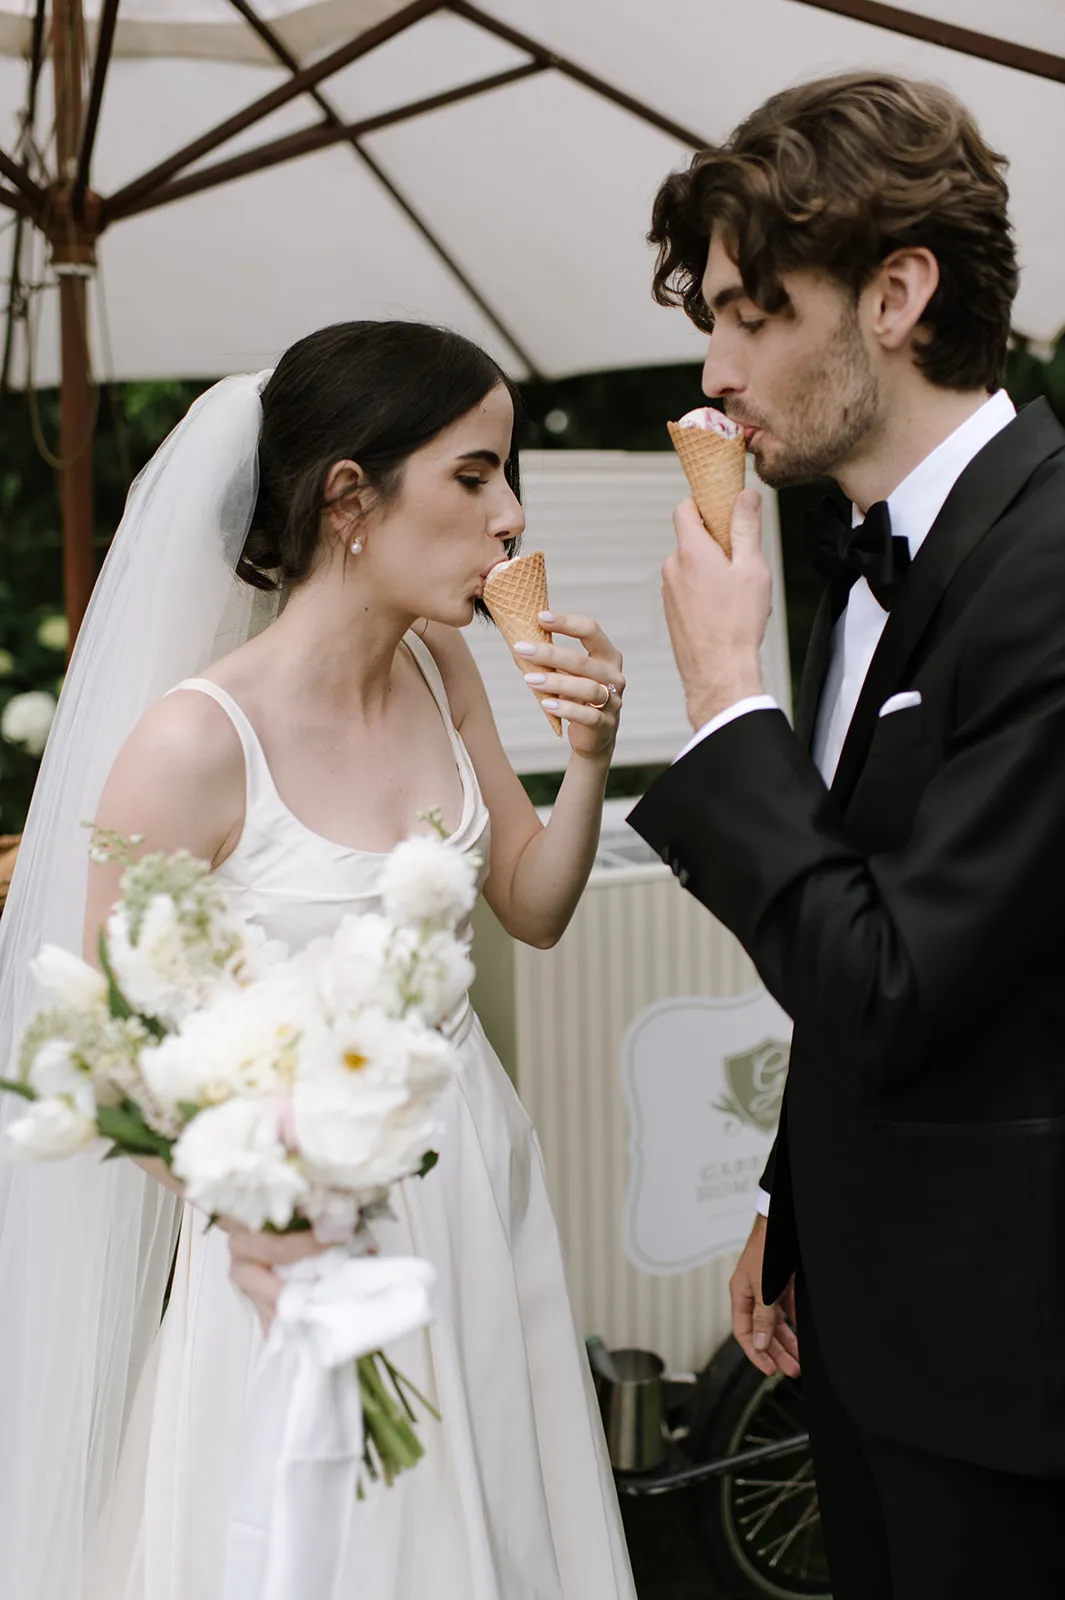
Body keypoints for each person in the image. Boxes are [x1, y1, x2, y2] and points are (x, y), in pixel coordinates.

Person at [0, 320, 636, 1600]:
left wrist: (587, 756)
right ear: (351, 495)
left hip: (478, 1190)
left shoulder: (440, 661)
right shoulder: (192, 745)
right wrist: (259, 1203)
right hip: (300, 1252)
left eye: (505, 475)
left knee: (503, 1537)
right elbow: (95, 1047)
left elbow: (533, 901)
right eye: (473, 475)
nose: (509, 515)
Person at [628, 73, 1065, 1599]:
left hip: (1016, 1376)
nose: (714, 363)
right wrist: (787, 1200)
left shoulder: (1051, 564)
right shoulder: (869, 558)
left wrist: (724, 696)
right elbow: (872, 916)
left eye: (756, 313)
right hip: (869, 1331)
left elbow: (893, 980)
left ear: (896, 293)